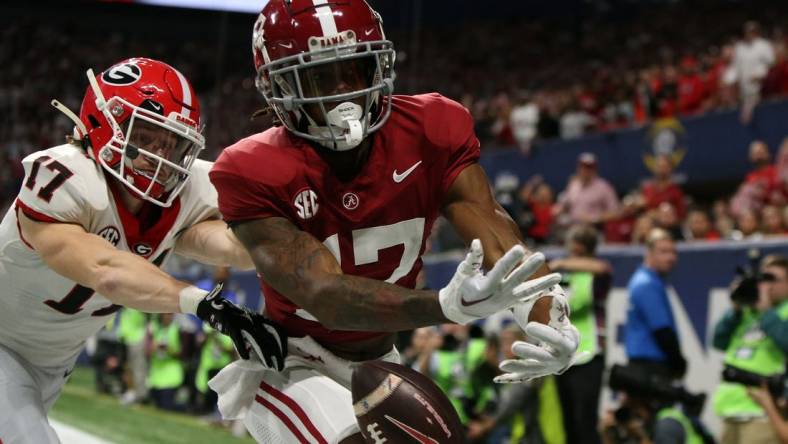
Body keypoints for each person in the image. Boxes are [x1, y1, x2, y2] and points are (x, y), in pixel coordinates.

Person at [207, 1, 581, 442]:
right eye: (319, 76)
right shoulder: (250, 168)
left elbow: (494, 232)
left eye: (356, 70)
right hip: (293, 362)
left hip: (382, 360)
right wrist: (444, 306)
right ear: (278, 86)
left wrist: (546, 313)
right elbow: (324, 295)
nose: (342, 91)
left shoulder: (431, 127)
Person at [0, 57, 286, 443]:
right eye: (148, 137)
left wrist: (294, 238)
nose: (161, 157)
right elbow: (107, 270)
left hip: (52, 363)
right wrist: (204, 304)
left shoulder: (186, 194)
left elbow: (235, 246)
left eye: (173, 144)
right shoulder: (65, 179)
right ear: (106, 124)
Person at [712, 254, 788, 444]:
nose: (765, 285)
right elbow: (718, 341)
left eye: (772, 279)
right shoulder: (748, 311)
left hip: (763, 413)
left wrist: (766, 311)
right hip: (731, 408)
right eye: (763, 278)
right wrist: (735, 309)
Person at [550, 224, 613, 444]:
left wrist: (562, 263)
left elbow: (604, 269)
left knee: (584, 421)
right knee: (568, 424)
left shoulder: (595, 275)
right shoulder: (562, 276)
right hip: (563, 356)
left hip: (588, 354)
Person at [624, 228, 686, 380]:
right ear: (649, 253)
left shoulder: (645, 280)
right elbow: (662, 330)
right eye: (664, 252)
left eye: (673, 252)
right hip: (650, 367)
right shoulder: (647, 284)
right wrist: (678, 361)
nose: (671, 258)